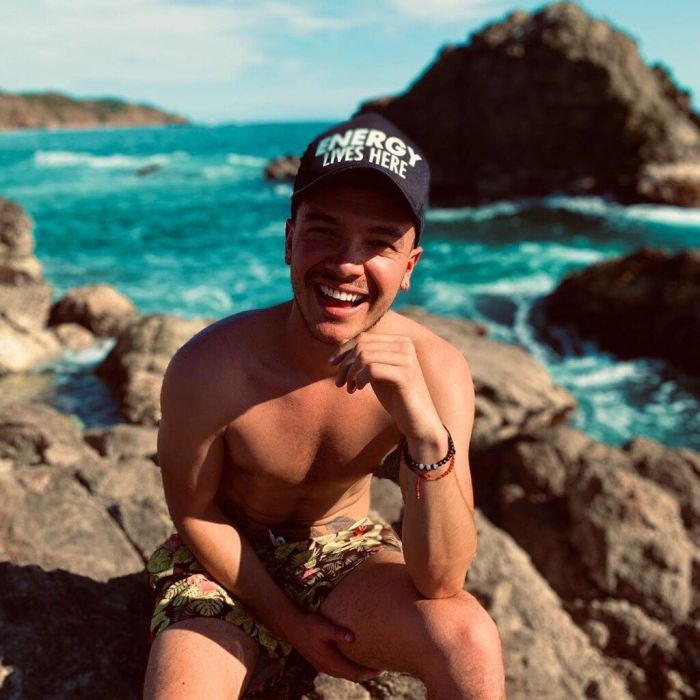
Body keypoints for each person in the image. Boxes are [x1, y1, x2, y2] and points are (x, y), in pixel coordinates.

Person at [142, 113, 506, 699]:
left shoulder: (437, 371)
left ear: (409, 266)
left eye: (380, 242)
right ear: (289, 240)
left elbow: (442, 579)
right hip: (223, 564)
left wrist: (424, 432)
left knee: (470, 640)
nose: (345, 264)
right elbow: (196, 512)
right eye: (324, 231)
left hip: (343, 553)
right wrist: (291, 626)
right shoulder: (210, 366)